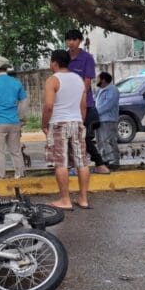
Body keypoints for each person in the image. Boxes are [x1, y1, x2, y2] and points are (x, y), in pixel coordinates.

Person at [42, 49, 90, 210]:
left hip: (58, 123)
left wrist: (44, 124)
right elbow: (83, 105)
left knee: (60, 162)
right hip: (77, 122)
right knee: (82, 161)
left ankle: (65, 200)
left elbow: (49, 106)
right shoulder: (79, 79)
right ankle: (83, 199)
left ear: (55, 62)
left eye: (50, 61)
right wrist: (80, 121)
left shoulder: (53, 80)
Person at [65, 29, 111, 174]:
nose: (71, 43)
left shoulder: (87, 58)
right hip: (67, 105)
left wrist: (79, 101)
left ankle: (99, 163)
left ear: (80, 41)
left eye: (74, 39)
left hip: (85, 103)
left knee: (82, 136)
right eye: (69, 40)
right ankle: (75, 165)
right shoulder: (64, 57)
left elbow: (86, 83)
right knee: (69, 137)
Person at [94, 72, 120, 170]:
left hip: (109, 120)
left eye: (98, 78)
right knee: (101, 142)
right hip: (100, 120)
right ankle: (105, 160)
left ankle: (114, 161)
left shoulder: (112, 90)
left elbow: (108, 105)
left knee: (109, 140)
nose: (96, 80)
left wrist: (95, 113)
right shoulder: (100, 90)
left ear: (103, 80)